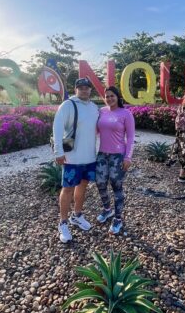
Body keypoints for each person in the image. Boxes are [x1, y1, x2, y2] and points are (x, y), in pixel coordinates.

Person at [53, 77, 100, 243]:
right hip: (71, 157)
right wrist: (58, 152)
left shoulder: (94, 107)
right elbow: (57, 128)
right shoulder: (68, 105)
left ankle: (77, 215)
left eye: (87, 87)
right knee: (67, 189)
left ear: (90, 90)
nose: (84, 90)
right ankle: (63, 223)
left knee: (83, 186)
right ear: (76, 89)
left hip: (89, 157)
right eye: (80, 87)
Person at [95, 86, 135, 235]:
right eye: (107, 96)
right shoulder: (101, 112)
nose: (109, 98)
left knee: (116, 187)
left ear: (117, 96)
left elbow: (131, 137)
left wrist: (128, 157)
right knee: (100, 183)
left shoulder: (126, 114)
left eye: (112, 96)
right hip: (101, 154)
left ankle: (118, 219)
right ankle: (107, 209)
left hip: (117, 156)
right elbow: (96, 130)